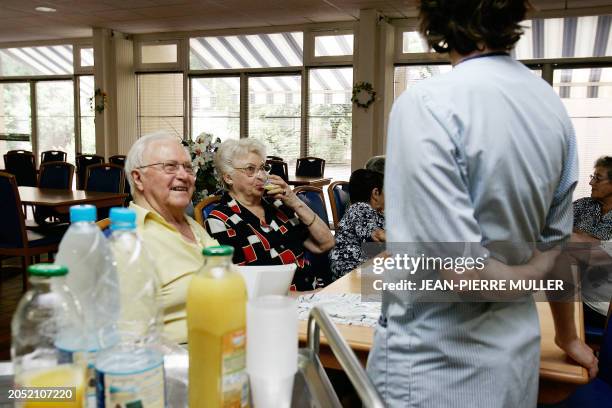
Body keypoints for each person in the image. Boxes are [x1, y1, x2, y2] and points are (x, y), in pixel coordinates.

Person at [366, 1, 598, 406]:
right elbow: (555, 248)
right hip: (514, 359)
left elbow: (466, 275)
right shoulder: (550, 106)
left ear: (435, 21)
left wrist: (535, 268)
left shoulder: (428, 104)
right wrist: (567, 335)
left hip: (434, 369)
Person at [204, 139, 334, 290]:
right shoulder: (220, 220)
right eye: (250, 169)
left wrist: (294, 201)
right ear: (228, 177)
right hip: (273, 306)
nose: (261, 176)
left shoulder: (277, 205)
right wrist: (306, 297)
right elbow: (241, 288)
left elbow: (326, 243)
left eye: (262, 168)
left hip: (311, 292)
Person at [125, 132, 218, 344]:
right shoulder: (130, 239)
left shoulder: (190, 223)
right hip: (180, 359)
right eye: (170, 167)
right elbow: (128, 338)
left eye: (188, 167)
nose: (184, 176)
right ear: (138, 178)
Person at [572, 156, 612, 329]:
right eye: (592, 177)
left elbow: (602, 255)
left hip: (599, 305)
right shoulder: (583, 206)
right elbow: (549, 228)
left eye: (597, 178)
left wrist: (576, 236)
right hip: (577, 290)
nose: (591, 183)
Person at [329, 169, 385, 280]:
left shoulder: (371, 212)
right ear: (376, 193)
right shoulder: (359, 208)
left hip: (364, 269)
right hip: (349, 274)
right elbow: (378, 235)